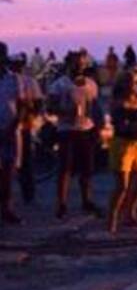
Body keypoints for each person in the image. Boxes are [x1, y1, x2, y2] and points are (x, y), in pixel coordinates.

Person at [47, 51, 101, 218]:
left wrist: (97, 128)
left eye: (82, 63)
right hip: (66, 131)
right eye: (77, 63)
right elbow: (49, 108)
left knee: (87, 169)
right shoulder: (59, 85)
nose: (80, 66)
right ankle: (62, 204)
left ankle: (87, 201)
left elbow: (94, 107)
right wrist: (65, 111)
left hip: (86, 129)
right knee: (65, 169)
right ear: (69, 64)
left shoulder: (91, 84)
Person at [107, 69, 137, 233]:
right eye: (133, 82)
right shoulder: (119, 102)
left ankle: (129, 214)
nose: (135, 86)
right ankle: (112, 217)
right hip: (123, 144)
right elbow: (120, 124)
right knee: (122, 186)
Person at [0, 43, 37, 223]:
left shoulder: (15, 80)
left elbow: (23, 106)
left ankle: (7, 208)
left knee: (9, 171)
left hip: (11, 130)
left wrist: (13, 126)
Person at [12, 54, 43, 206]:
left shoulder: (29, 82)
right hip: (15, 126)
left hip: (24, 127)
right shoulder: (24, 81)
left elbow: (37, 103)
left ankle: (28, 194)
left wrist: (30, 117)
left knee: (26, 162)